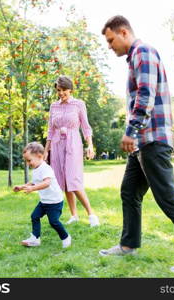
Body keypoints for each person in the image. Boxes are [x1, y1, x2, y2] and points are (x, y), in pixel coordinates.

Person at [99, 15, 174, 273]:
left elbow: (145, 94)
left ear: (124, 32)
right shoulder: (134, 58)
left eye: (111, 40)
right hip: (142, 142)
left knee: (168, 196)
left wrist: (131, 130)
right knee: (129, 191)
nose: (109, 46)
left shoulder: (144, 52)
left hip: (152, 139)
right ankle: (128, 246)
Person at [44, 75, 100, 227]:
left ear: (70, 89)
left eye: (63, 90)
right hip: (57, 145)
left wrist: (90, 145)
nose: (61, 93)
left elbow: (86, 127)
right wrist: (46, 151)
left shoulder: (78, 104)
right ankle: (74, 215)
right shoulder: (54, 106)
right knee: (64, 181)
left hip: (73, 143)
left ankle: (91, 214)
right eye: (58, 90)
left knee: (73, 180)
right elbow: (50, 130)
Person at [13, 142, 71, 248]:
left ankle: (66, 237)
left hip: (54, 201)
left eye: (29, 160)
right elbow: (34, 182)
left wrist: (33, 189)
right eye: (26, 161)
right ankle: (35, 238)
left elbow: (46, 183)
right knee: (34, 216)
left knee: (53, 222)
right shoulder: (36, 169)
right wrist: (21, 187)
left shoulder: (45, 168)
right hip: (44, 201)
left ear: (39, 156)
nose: (27, 163)